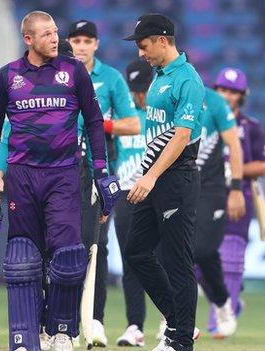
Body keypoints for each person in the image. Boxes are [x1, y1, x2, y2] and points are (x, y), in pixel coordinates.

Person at [0, 11, 118, 351]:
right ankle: (28, 335)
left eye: (56, 32)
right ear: (28, 39)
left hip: (65, 175)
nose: (55, 38)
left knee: (68, 257)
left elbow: (95, 121)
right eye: (47, 33)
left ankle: (61, 331)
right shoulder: (8, 76)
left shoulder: (74, 71)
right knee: (23, 260)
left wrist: (101, 171)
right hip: (22, 178)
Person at [122, 13, 205, 351]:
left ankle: (180, 340)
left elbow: (182, 135)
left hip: (176, 178)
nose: (141, 53)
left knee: (177, 261)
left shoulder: (188, 79)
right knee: (136, 252)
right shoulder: (158, 75)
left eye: (144, 46)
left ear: (162, 40)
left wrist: (151, 176)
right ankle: (179, 322)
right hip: (155, 177)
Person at [66, 20, 139, 347]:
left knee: (97, 245)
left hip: (98, 171)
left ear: (95, 44)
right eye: (76, 40)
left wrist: (98, 124)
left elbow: (133, 124)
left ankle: (94, 320)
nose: (81, 47)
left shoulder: (110, 79)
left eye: (87, 41)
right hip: (57, 170)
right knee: (61, 243)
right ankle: (61, 318)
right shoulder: (57, 75)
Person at [201, 67, 265, 334]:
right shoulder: (204, 119)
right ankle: (230, 297)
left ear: (243, 96)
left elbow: (264, 166)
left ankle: (219, 321)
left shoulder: (250, 127)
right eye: (223, 90)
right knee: (197, 257)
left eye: (233, 92)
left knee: (230, 257)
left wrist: (233, 170)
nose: (227, 96)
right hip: (205, 194)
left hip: (238, 195)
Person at [190, 80, 246, 338]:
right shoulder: (163, 96)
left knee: (202, 250)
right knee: (174, 253)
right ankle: (172, 318)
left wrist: (235, 187)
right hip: (177, 186)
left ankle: (222, 303)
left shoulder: (214, 102)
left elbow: (234, 145)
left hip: (210, 188)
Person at [113, 59, 152, 347]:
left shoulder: (162, 112)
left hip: (157, 193)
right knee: (131, 263)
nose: (140, 95)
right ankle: (134, 326)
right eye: (136, 89)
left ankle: (169, 322)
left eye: (145, 88)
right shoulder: (122, 114)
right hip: (126, 192)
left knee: (164, 259)